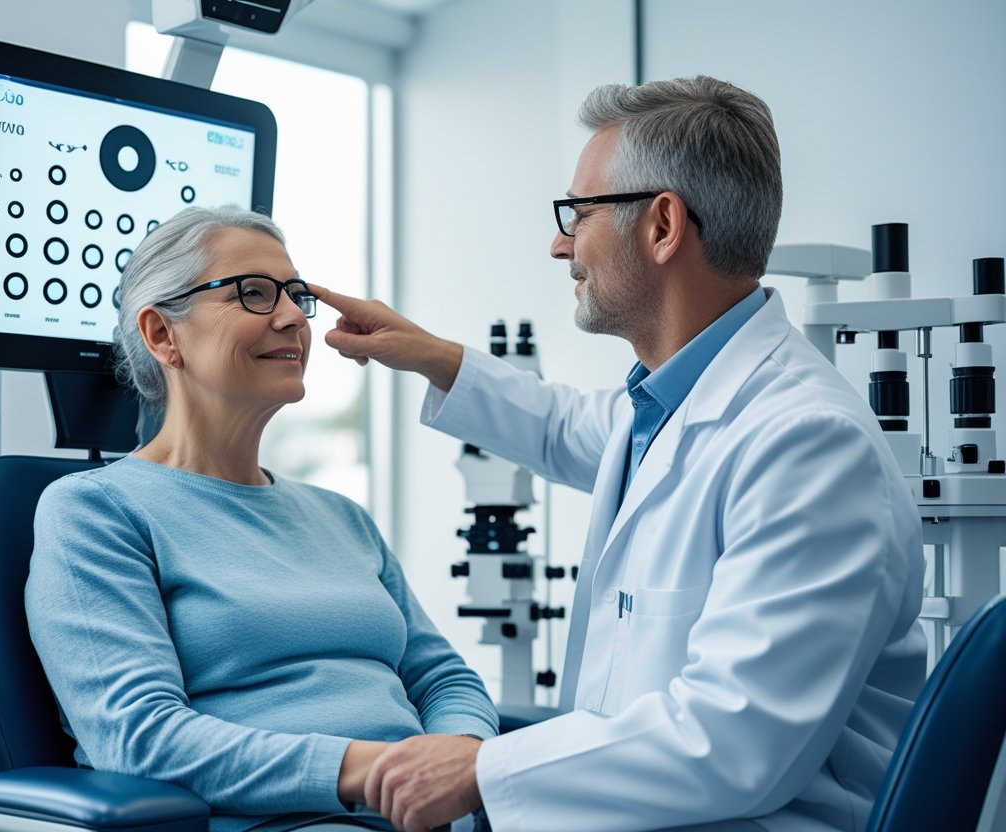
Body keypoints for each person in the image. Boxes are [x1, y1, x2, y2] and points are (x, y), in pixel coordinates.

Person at [311, 76, 926, 832]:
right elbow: (561, 425)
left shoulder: (807, 445)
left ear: (662, 225)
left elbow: (732, 740)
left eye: (578, 213)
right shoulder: (670, 410)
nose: (559, 243)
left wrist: (481, 770)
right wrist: (428, 353)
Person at [25, 205, 498, 832]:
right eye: (253, 292)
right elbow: (140, 738)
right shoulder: (96, 512)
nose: (292, 317)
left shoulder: (342, 518)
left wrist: (462, 756)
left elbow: (442, 678)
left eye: (296, 295)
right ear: (163, 335)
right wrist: (378, 772)